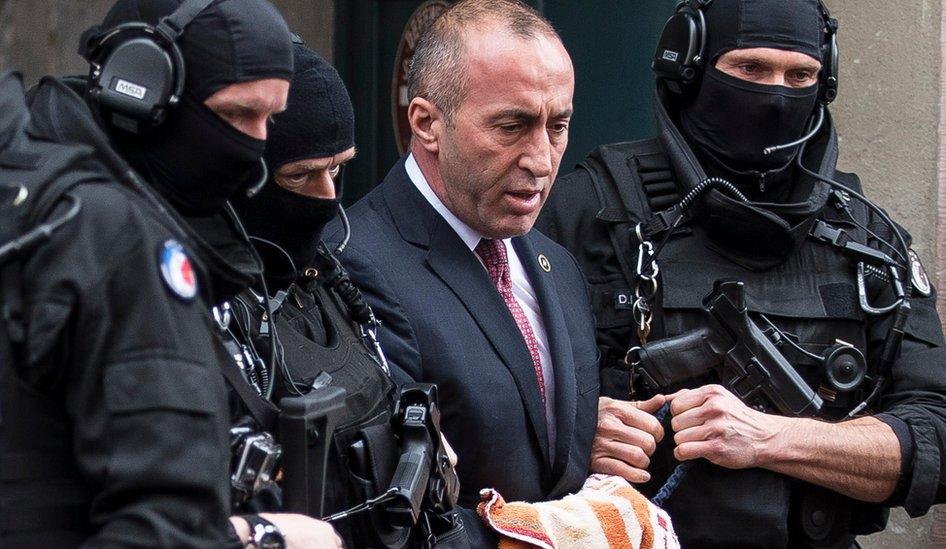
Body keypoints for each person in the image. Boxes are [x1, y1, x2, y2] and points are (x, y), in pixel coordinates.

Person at [537, 0, 946, 547]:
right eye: (750, 69)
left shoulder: (869, 239)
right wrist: (574, 435)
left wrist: (771, 439)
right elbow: (476, 399)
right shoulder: (583, 211)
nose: (775, 95)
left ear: (826, 78)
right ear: (690, 65)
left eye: (801, 75)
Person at [0, 0, 339, 546]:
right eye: (234, 115)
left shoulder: (34, 193)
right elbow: (163, 520)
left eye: (269, 120)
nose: (254, 148)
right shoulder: (113, 239)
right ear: (140, 87)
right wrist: (259, 536)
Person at [323, 0, 599, 545]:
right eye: (512, 126)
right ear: (426, 123)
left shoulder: (556, 265)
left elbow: (547, 457)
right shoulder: (352, 262)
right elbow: (386, 513)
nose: (542, 159)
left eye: (558, 126)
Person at [227, 38, 465, 548]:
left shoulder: (327, 277)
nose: (328, 199)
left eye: (337, 169)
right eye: (302, 175)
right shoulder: (194, 311)